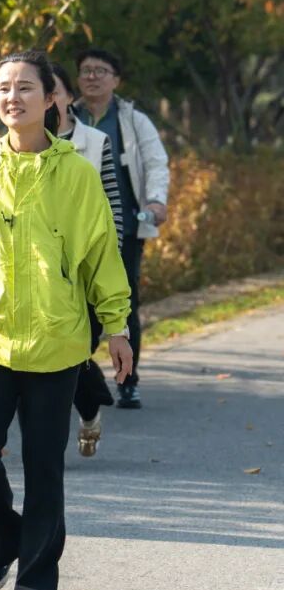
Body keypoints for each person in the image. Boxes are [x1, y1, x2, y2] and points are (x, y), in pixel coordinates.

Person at [0, 51, 132, 590]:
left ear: (52, 100)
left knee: (45, 464)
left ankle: (37, 580)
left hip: (58, 341)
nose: (11, 97)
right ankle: (3, 544)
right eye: (2, 88)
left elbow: (100, 255)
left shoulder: (78, 175)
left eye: (24, 88)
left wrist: (115, 325)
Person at [75, 48, 170, 409]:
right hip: (76, 229)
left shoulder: (132, 120)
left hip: (123, 229)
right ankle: (76, 377)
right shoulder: (68, 117)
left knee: (123, 303)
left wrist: (156, 200)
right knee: (79, 306)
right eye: (86, 70)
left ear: (116, 79)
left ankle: (128, 380)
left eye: (101, 70)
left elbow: (156, 162)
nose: (93, 77)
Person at [52, 62, 123, 457]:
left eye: (54, 91)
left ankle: (89, 408)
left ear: (60, 97)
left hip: (83, 273)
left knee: (75, 353)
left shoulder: (94, 143)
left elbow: (113, 212)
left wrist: (111, 274)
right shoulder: (5, 150)